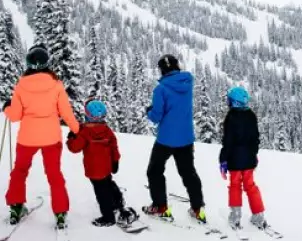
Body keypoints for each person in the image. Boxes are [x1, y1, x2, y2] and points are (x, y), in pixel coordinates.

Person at [3, 44, 80, 228]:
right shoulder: (56, 84)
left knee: (19, 171)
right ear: (47, 63)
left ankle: (15, 207)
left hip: (27, 138)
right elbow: (66, 113)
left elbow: (14, 116)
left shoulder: (21, 85)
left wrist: (7, 108)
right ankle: (60, 212)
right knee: (54, 175)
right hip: (51, 138)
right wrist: (76, 129)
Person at [143, 54, 206, 223]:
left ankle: (160, 206)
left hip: (166, 139)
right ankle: (198, 208)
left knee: (154, 171)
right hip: (186, 138)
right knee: (188, 172)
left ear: (162, 70)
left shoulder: (161, 89)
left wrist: (148, 110)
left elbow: (156, 117)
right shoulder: (187, 83)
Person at [66, 99, 139, 227]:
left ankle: (108, 217)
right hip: (106, 168)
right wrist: (115, 161)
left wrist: (71, 138)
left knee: (101, 194)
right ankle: (117, 202)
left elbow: (74, 148)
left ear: (88, 116)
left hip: (94, 171)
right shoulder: (106, 130)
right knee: (109, 184)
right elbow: (114, 146)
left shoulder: (85, 133)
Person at [219, 85, 268, 229]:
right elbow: (255, 138)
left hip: (234, 158)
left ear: (234, 102)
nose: (228, 103)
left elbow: (228, 141)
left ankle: (235, 216)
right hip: (249, 159)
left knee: (235, 186)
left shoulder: (231, 117)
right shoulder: (251, 115)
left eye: (229, 100)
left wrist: (223, 160)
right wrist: (254, 154)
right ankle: (258, 216)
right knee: (250, 186)